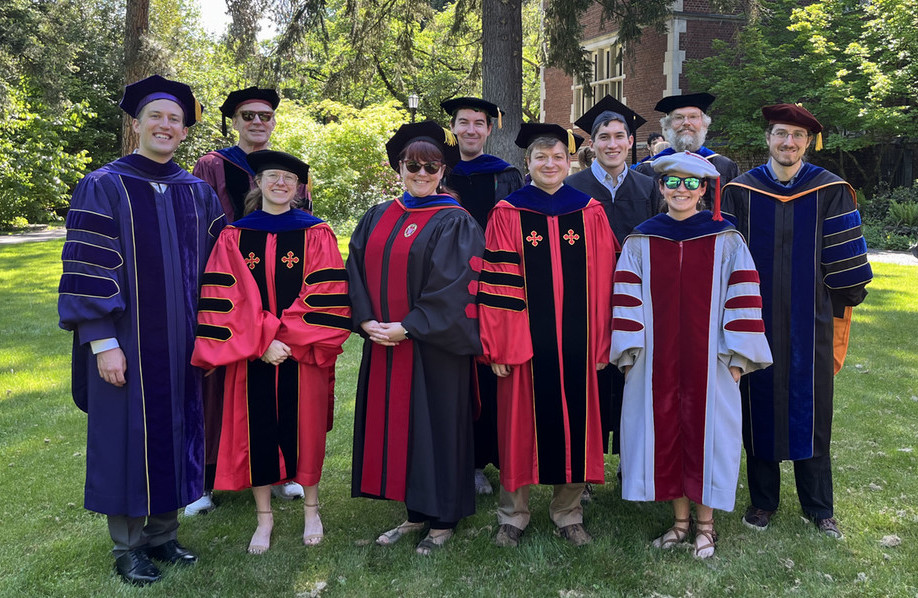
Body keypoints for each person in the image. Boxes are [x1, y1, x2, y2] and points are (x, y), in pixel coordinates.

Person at [57, 75, 225, 585]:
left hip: (183, 343)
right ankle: (128, 546)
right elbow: (87, 267)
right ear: (137, 123)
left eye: (175, 119)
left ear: (184, 130)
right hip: (126, 341)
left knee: (178, 428)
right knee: (128, 437)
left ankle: (164, 533)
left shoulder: (196, 192)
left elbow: (223, 270)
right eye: (156, 116)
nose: (165, 125)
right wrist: (102, 342)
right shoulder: (104, 185)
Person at [610, 151, 773, 559]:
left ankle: (706, 525)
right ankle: (679, 523)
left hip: (712, 362)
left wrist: (738, 358)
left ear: (703, 189)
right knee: (664, 435)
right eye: (672, 183)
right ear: (661, 187)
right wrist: (629, 353)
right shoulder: (641, 240)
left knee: (709, 439)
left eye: (690, 183)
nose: (680, 190)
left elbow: (743, 295)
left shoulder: (727, 240)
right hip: (654, 363)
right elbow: (626, 300)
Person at [721, 104, 872, 539]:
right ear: (768, 138)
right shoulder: (740, 192)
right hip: (755, 319)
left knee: (814, 410)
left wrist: (834, 307)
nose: (789, 142)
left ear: (808, 143)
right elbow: (727, 261)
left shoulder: (831, 190)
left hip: (812, 319)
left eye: (798, 136)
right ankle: (763, 501)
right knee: (757, 405)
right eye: (782, 134)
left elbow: (847, 268)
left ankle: (819, 506)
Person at [190, 151, 350, 554]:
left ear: (299, 188)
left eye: (289, 178)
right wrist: (263, 341)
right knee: (255, 432)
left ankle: (312, 509)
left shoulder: (317, 233)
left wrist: (287, 341)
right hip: (253, 354)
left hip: (302, 353)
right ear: (257, 183)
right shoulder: (234, 236)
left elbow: (325, 292)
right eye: (272, 176)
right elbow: (226, 295)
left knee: (307, 431)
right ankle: (264, 518)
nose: (281, 183)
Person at [347, 121, 484, 555]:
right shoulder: (378, 215)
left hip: (434, 347)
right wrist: (366, 321)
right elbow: (352, 270)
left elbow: (457, 285)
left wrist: (409, 326)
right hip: (385, 343)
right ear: (399, 168)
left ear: (443, 170)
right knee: (404, 428)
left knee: (438, 427)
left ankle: (443, 519)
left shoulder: (455, 220)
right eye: (413, 165)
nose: (421, 173)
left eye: (431, 166)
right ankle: (415, 513)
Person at [478, 123, 615, 548]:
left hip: (578, 344)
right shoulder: (507, 213)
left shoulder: (590, 211)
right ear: (528, 164)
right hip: (526, 346)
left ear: (569, 161)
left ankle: (567, 512)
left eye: (558, 157)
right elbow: (497, 285)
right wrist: (500, 345)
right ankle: (513, 515)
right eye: (542, 157)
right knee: (518, 427)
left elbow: (607, 281)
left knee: (577, 424)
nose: (551, 164)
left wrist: (602, 341)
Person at [188, 87, 309, 515]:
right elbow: (198, 225)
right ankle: (206, 479)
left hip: (281, 287)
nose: (258, 122)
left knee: (281, 383)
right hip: (226, 286)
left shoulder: (286, 170)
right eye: (248, 115)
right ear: (234, 121)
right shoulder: (211, 165)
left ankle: (279, 471)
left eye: (266, 115)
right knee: (218, 383)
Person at [565, 96, 655, 473]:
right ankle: (586, 466)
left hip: (637, 299)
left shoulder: (649, 188)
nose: (612, 144)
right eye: (604, 137)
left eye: (620, 136)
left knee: (634, 374)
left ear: (631, 142)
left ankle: (628, 461)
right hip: (588, 298)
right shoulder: (573, 187)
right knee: (590, 379)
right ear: (592, 143)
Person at [441, 96, 524, 495]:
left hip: (496, 285)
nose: (471, 129)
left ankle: (501, 455)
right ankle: (468, 461)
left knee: (495, 371)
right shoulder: (439, 173)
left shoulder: (506, 175)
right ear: (453, 128)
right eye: (464, 122)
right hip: (449, 287)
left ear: (491, 130)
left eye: (479, 123)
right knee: (460, 374)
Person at [635, 93, 739, 209]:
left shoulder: (724, 166)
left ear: (704, 124)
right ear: (668, 125)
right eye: (679, 117)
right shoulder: (648, 169)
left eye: (693, 117)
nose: (686, 123)